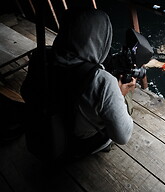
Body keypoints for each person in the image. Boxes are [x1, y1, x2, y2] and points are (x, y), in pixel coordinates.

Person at [21, 8, 134, 158]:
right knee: (127, 102)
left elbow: (25, 92)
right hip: (78, 146)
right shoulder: (103, 82)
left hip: (43, 135)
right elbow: (122, 137)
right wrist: (119, 94)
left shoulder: (40, 57)